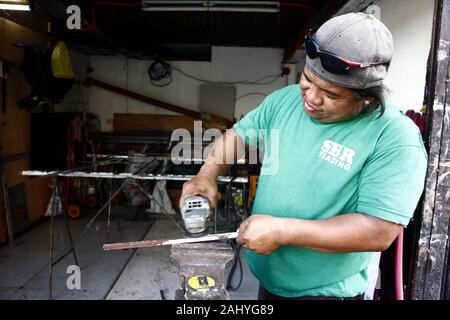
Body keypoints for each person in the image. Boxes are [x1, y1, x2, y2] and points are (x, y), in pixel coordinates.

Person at [180, 12, 428, 300]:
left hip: (326, 292)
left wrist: (283, 230)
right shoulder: (285, 101)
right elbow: (239, 135)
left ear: (367, 98)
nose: (311, 98)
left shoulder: (395, 137)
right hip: (270, 281)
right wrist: (206, 175)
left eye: (331, 94)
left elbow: (378, 231)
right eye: (307, 80)